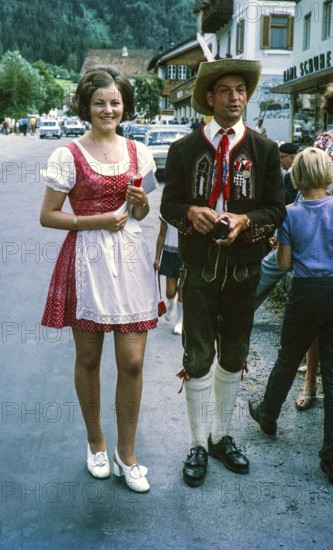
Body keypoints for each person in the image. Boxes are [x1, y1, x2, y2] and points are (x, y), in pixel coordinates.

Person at [160, 58, 286, 487]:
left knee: (233, 354)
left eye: (241, 90)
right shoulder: (183, 149)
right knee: (197, 357)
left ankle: (221, 435)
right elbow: (168, 205)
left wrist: (246, 221)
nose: (235, 97)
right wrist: (191, 212)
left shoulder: (265, 150)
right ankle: (197, 442)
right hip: (197, 268)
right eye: (226, 91)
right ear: (210, 98)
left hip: (244, 269)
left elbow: (276, 209)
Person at [40, 68, 158, 493]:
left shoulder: (139, 153)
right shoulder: (67, 154)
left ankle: (128, 454)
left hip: (129, 260)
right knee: (89, 360)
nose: (108, 110)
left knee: (132, 362)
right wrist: (97, 221)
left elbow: (140, 216)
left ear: (124, 105)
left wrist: (140, 205)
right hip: (86, 260)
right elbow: (48, 215)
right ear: (86, 107)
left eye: (115, 102)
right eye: (100, 103)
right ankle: (96, 444)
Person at [249, 147, 333, 485]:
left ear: (295, 177)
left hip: (304, 293)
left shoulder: (289, 214)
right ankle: (330, 457)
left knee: (288, 356)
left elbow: (283, 264)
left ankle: (268, 413)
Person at [153, 216, 183, 335]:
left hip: (186, 253)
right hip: (170, 253)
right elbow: (161, 235)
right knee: (170, 292)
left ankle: (180, 321)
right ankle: (171, 305)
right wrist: (157, 258)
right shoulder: (168, 211)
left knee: (182, 289)